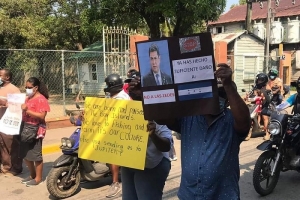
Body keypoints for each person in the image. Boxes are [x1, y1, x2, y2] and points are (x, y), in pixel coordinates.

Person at [129, 63, 251, 199]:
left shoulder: (231, 121)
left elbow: (245, 123)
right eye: (212, 92)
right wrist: (146, 95)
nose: (216, 97)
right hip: (190, 195)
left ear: (228, 101)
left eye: (221, 94)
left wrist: (228, 85)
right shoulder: (188, 117)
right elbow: (163, 117)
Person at [121, 121, 172, 200]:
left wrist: (153, 135)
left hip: (152, 165)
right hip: (128, 164)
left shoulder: (155, 114)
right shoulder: (119, 112)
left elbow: (166, 146)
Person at [20, 77, 50, 186]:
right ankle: (32, 175)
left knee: (36, 155)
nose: (27, 89)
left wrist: (27, 110)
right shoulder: (28, 98)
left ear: (36, 88)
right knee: (26, 153)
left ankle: (38, 178)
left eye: (29, 87)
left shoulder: (41, 99)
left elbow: (42, 116)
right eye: (26, 87)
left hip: (36, 129)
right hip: (25, 127)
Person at [104, 73, 130, 198]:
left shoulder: (121, 98)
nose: (107, 87)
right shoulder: (113, 97)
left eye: (108, 85)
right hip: (111, 129)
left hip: (120, 132)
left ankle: (115, 183)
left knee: (113, 156)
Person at [0, 68, 23, 176]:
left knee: (12, 144)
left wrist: (5, 103)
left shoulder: (13, 89)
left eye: (0, 75)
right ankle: (6, 166)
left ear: (7, 77)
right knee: (2, 144)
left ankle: (16, 167)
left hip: (9, 121)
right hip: (1, 119)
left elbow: (18, 107)